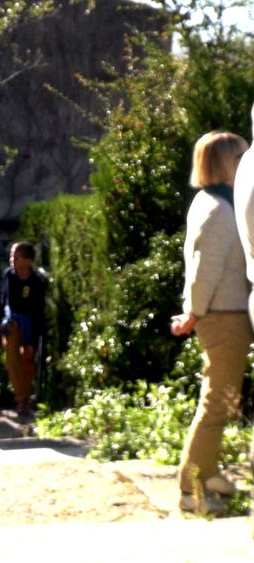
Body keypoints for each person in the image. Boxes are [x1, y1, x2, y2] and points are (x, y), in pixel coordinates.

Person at [171, 131, 251, 514]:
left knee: (224, 401)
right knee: (217, 403)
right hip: (223, 316)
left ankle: (209, 472)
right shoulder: (218, 209)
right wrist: (195, 313)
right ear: (226, 163)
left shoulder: (217, 202)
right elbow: (204, 270)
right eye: (242, 157)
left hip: (222, 313)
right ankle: (193, 488)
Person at [1, 241, 47, 417]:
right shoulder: (9, 275)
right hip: (12, 321)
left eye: (16, 256)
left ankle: (27, 396)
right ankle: (21, 397)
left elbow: (37, 309)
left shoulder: (36, 281)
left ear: (28, 261)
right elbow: (6, 299)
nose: (12, 259)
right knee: (12, 359)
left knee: (27, 360)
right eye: (12, 255)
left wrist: (32, 338)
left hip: (30, 323)